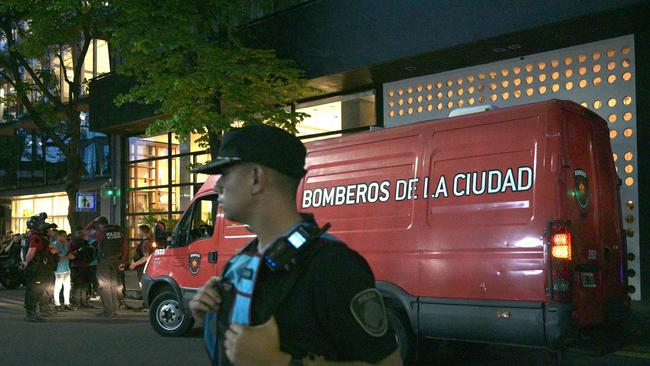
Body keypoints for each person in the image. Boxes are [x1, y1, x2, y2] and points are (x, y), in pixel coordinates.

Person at [188, 125, 401, 366]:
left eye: (225, 173)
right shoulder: (242, 261)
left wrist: (281, 362)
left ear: (256, 178)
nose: (217, 187)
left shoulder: (332, 266)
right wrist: (209, 316)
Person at [84, 216, 127, 318]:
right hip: (116, 260)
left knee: (105, 285)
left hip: (105, 261)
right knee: (113, 284)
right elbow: (124, 245)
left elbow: (86, 231)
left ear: (99, 224)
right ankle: (114, 309)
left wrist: (93, 221)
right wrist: (123, 260)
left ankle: (108, 311)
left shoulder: (102, 233)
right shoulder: (118, 231)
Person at [19, 214, 57, 322]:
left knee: (36, 290)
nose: (45, 227)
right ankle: (30, 313)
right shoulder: (35, 237)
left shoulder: (31, 235)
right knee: (33, 291)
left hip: (37, 266)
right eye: (42, 224)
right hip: (36, 267)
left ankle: (33, 312)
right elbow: (32, 250)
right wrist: (26, 262)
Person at [69, 229, 94, 308]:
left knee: (84, 285)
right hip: (77, 266)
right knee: (77, 285)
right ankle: (77, 302)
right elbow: (71, 254)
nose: (81, 235)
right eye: (79, 233)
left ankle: (83, 301)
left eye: (81, 233)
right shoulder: (73, 243)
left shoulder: (85, 243)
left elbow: (90, 252)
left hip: (85, 265)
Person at [53, 230, 74, 311]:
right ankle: (57, 304)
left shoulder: (65, 244)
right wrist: (68, 256)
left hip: (66, 268)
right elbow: (58, 258)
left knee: (67, 287)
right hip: (59, 270)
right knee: (58, 288)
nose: (66, 238)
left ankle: (67, 303)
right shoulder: (55, 245)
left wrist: (69, 256)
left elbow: (67, 255)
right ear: (59, 236)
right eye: (64, 236)